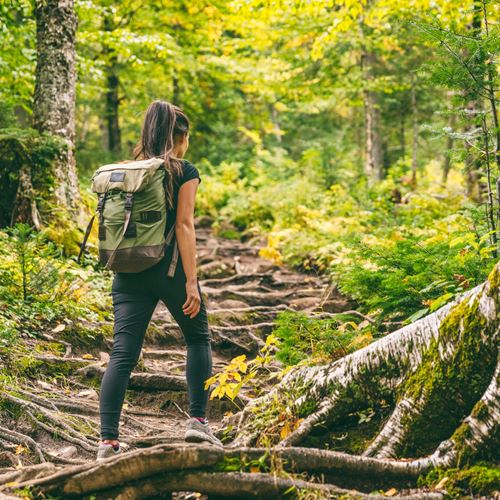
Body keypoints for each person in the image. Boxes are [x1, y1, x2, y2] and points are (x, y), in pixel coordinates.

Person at [96, 100, 222, 461]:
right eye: (187, 138)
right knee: (198, 339)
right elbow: (184, 225)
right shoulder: (183, 170)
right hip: (169, 272)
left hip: (128, 272)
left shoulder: (126, 171)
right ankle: (197, 422)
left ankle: (107, 442)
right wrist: (191, 281)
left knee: (122, 353)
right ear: (178, 137)